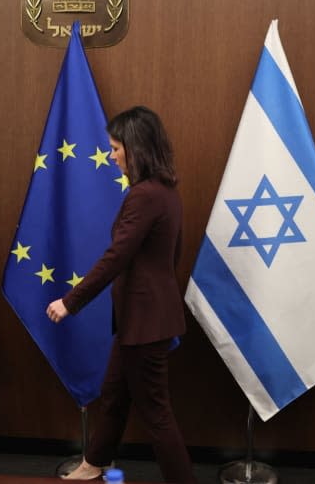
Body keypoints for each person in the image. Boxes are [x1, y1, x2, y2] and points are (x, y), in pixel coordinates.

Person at [46, 106, 196, 483]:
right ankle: (93, 463)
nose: (112, 156)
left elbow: (117, 257)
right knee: (114, 394)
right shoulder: (166, 192)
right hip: (142, 320)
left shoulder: (144, 196)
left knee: (157, 414)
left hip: (145, 322)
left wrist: (70, 301)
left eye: (116, 148)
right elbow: (171, 256)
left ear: (137, 148)